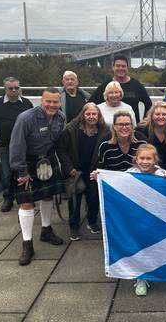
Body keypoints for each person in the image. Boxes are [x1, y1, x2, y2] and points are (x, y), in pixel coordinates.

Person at [9, 88, 65, 266]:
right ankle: (27, 244)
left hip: (47, 159)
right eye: (48, 101)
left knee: (48, 195)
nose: (52, 105)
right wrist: (22, 172)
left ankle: (46, 230)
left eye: (55, 102)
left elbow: (56, 142)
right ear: (42, 101)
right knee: (26, 202)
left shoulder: (61, 118)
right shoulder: (26, 118)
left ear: (59, 103)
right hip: (27, 162)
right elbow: (16, 146)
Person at [57, 103, 110, 241]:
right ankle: (74, 226)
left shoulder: (105, 130)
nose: (91, 117)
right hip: (76, 171)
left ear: (99, 116)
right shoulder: (70, 129)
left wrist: (101, 169)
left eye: (94, 114)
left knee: (94, 197)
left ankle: (92, 221)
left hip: (94, 170)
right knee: (75, 199)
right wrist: (69, 169)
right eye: (88, 114)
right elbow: (62, 150)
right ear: (83, 114)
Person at [126, 143, 166, 296]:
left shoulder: (161, 174)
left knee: (155, 246)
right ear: (136, 159)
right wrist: (101, 177)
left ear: (155, 160)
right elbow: (115, 183)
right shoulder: (129, 173)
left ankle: (156, 270)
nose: (145, 161)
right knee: (139, 247)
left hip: (156, 219)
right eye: (142, 158)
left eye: (148, 158)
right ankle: (141, 277)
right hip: (136, 218)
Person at [0, 77, 33, 212]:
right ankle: (8, 198)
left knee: (24, 173)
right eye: (11, 88)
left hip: (24, 147)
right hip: (5, 146)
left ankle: (25, 198)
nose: (14, 91)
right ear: (5, 89)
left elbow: (31, 123)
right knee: (7, 174)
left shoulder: (26, 103)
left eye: (16, 88)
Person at [89, 55, 152, 122]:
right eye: (118, 66)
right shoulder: (105, 86)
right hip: (109, 129)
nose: (121, 68)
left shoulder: (136, 85)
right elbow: (90, 105)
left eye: (123, 66)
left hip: (131, 128)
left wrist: (145, 123)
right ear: (113, 67)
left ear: (127, 68)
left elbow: (149, 104)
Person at [136, 101, 166, 175]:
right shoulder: (141, 129)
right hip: (148, 171)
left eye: (164, 114)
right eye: (157, 114)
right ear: (152, 115)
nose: (161, 117)